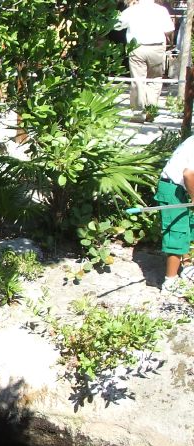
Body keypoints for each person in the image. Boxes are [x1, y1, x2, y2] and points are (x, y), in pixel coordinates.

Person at [113, 0, 174, 123]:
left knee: (138, 80)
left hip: (137, 47)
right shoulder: (161, 10)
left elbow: (116, 25)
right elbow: (169, 29)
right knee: (155, 79)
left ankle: (138, 113)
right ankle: (151, 109)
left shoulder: (131, 10)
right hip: (156, 47)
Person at [155, 136, 194, 295]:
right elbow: (188, 174)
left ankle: (186, 266)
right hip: (172, 189)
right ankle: (169, 283)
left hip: (183, 188)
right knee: (176, 233)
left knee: (188, 227)